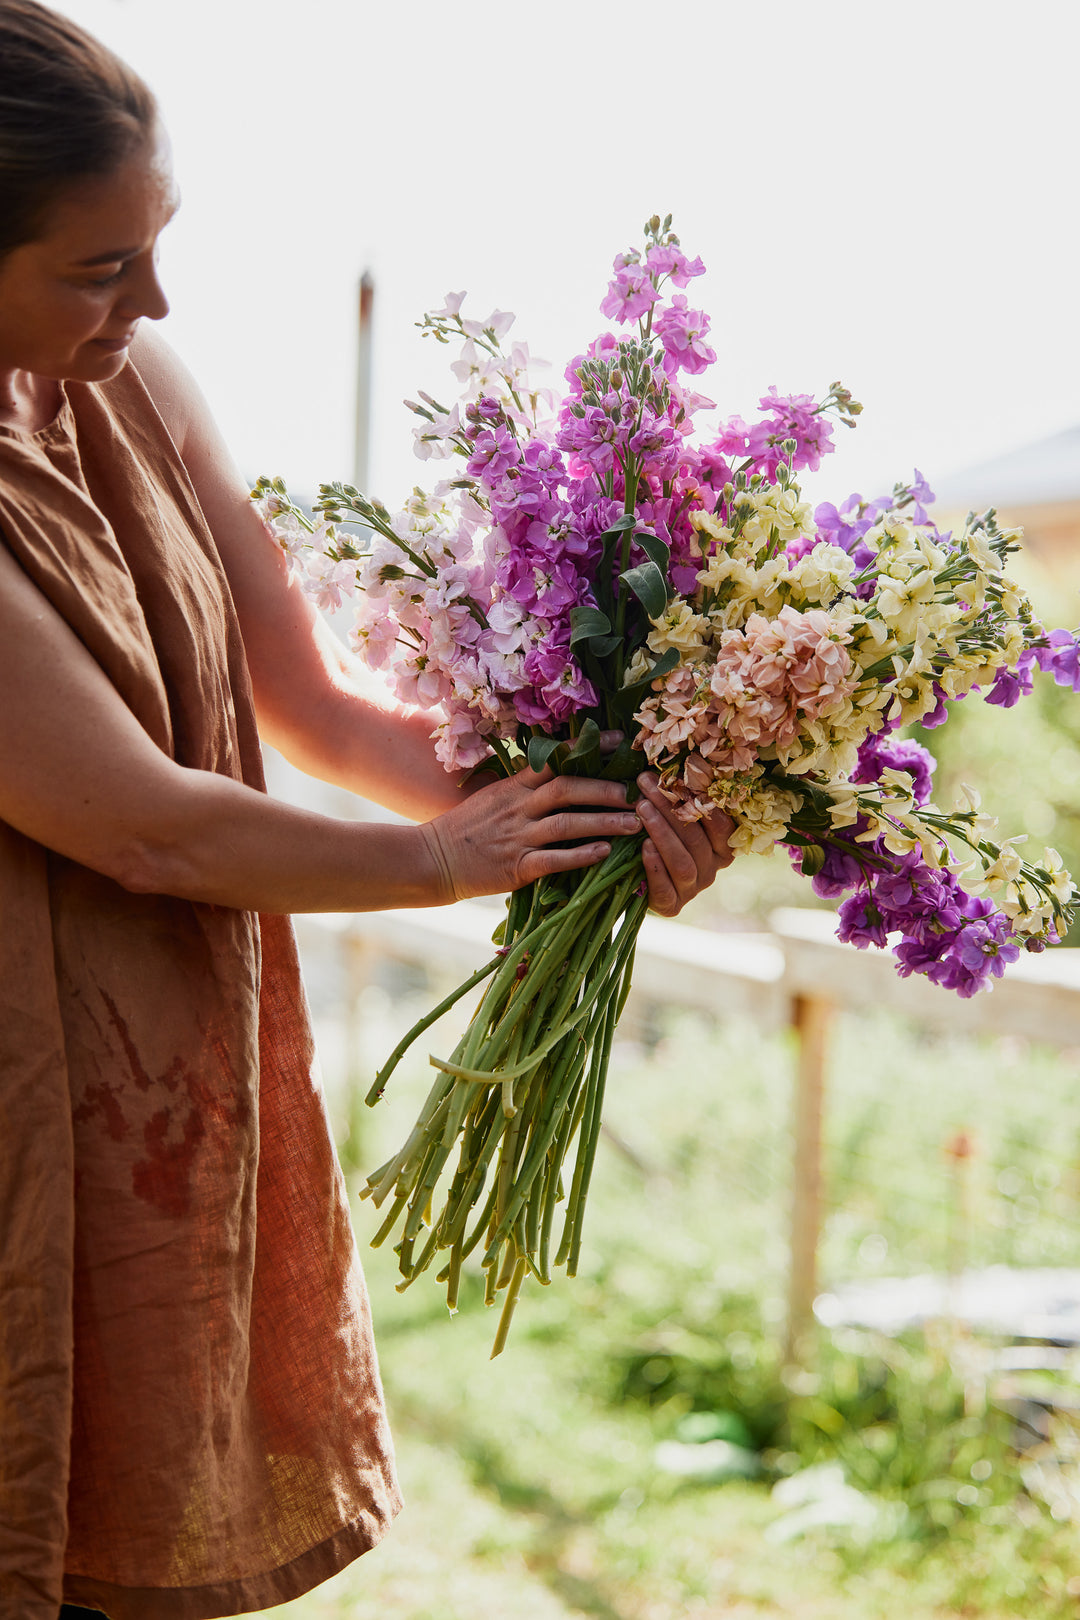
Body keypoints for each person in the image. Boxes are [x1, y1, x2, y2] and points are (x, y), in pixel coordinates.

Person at [0, 4, 735, 1615]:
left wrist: (585, 822)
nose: (156, 298)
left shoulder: (136, 380)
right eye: (99, 267)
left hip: (168, 1070)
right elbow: (152, 828)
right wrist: (442, 861)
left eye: (158, 245)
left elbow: (313, 704)